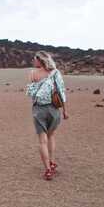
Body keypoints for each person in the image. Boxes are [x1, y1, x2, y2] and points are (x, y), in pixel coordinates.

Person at [25, 51, 69, 180]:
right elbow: (61, 92)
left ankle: (48, 170)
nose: (33, 61)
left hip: (39, 110)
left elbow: (31, 92)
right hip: (54, 109)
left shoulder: (33, 74)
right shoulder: (55, 73)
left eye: (35, 59)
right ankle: (52, 162)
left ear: (40, 60)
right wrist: (65, 111)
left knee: (42, 140)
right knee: (51, 135)